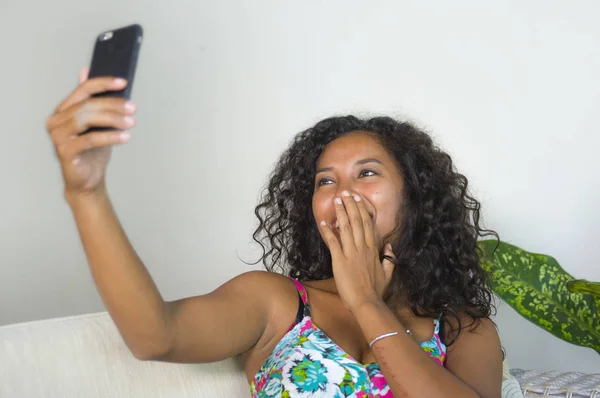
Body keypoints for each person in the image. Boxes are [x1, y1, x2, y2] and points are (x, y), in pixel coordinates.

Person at [45, 68, 503, 398]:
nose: (343, 193)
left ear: (416, 196)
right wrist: (87, 193)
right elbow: (154, 337)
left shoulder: (465, 330)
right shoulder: (277, 303)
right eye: (326, 180)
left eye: (367, 174)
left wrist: (366, 304)